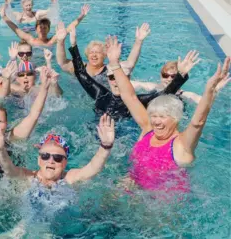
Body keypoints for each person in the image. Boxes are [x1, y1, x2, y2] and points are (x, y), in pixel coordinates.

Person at [108, 35, 231, 194]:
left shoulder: (182, 145)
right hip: (131, 192)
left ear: (176, 118)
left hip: (160, 209)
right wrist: (114, 64)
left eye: (162, 117)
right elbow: (129, 97)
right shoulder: (148, 129)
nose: (156, 121)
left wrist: (210, 91)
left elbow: (197, 122)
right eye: (154, 116)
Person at [67, 29, 191, 119]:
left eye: (120, 78)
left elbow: (164, 94)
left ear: (127, 79)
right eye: (111, 77)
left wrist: (181, 75)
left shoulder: (136, 101)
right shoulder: (100, 94)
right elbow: (81, 74)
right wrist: (73, 44)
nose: (115, 81)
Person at [0, 67, 54, 184]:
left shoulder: (12, 137)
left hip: (8, 182)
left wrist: (44, 88)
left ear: (6, 124)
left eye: (1, 122)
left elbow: (34, 115)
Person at [56, 18, 150, 86]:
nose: (94, 55)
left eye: (98, 52)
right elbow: (62, 62)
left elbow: (130, 63)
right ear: (87, 55)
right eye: (92, 52)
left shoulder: (109, 70)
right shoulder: (79, 67)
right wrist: (60, 41)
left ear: (105, 55)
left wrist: (139, 41)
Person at [0, 4, 88, 47]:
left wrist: (81, 16)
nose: (42, 30)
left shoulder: (52, 41)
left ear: (49, 30)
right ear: (36, 29)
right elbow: (16, 29)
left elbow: (69, 29)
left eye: (45, 28)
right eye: (40, 27)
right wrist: (4, 16)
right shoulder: (31, 40)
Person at [131, 60, 202, 104]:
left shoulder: (185, 95)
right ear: (161, 76)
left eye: (173, 76)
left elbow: (203, 101)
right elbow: (130, 84)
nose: (169, 79)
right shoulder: (153, 87)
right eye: (165, 75)